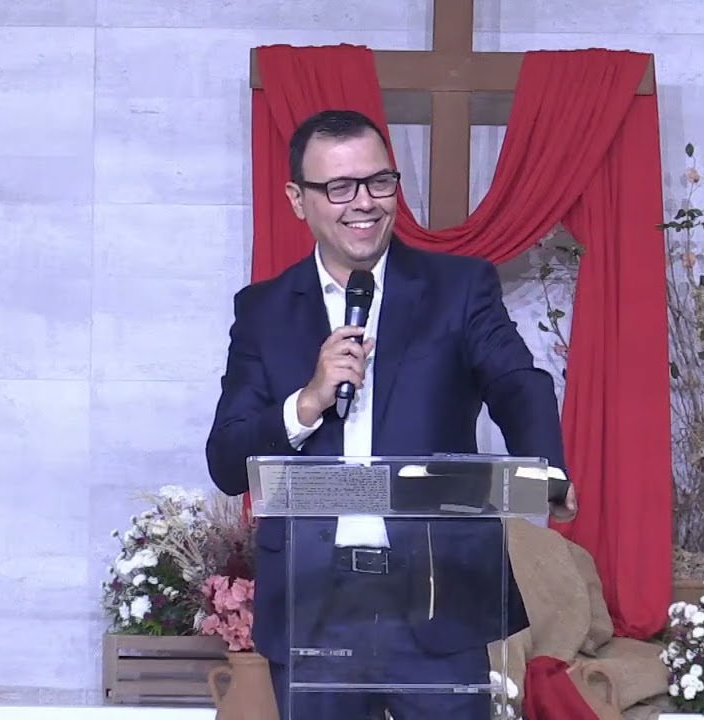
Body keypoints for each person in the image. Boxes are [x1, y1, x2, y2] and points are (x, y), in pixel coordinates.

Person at [205, 109, 576, 720]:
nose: (365, 202)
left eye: (379, 182)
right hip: (314, 607)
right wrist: (308, 401)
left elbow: (517, 382)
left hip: (436, 597)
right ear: (298, 200)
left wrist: (548, 470)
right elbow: (226, 460)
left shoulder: (460, 287)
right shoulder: (262, 311)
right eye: (339, 187)